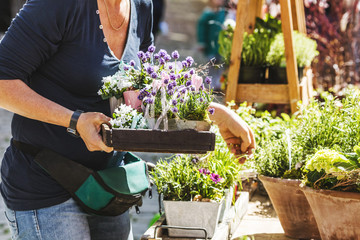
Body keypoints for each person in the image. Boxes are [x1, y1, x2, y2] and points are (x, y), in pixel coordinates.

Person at [0, 0, 255, 239]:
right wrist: (74, 120)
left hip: (108, 184)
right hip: (46, 183)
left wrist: (215, 113)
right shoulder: (59, 5)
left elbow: (145, 93)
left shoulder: (141, 6)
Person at [197, 0, 227, 91]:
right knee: (211, 65)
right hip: (210, 46)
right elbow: (201, 29)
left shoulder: (224, 13)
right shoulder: (207, 14)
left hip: (221, 47)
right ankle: (211, 84)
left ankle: (219, 84)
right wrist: (201, 42)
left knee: (220, 65)